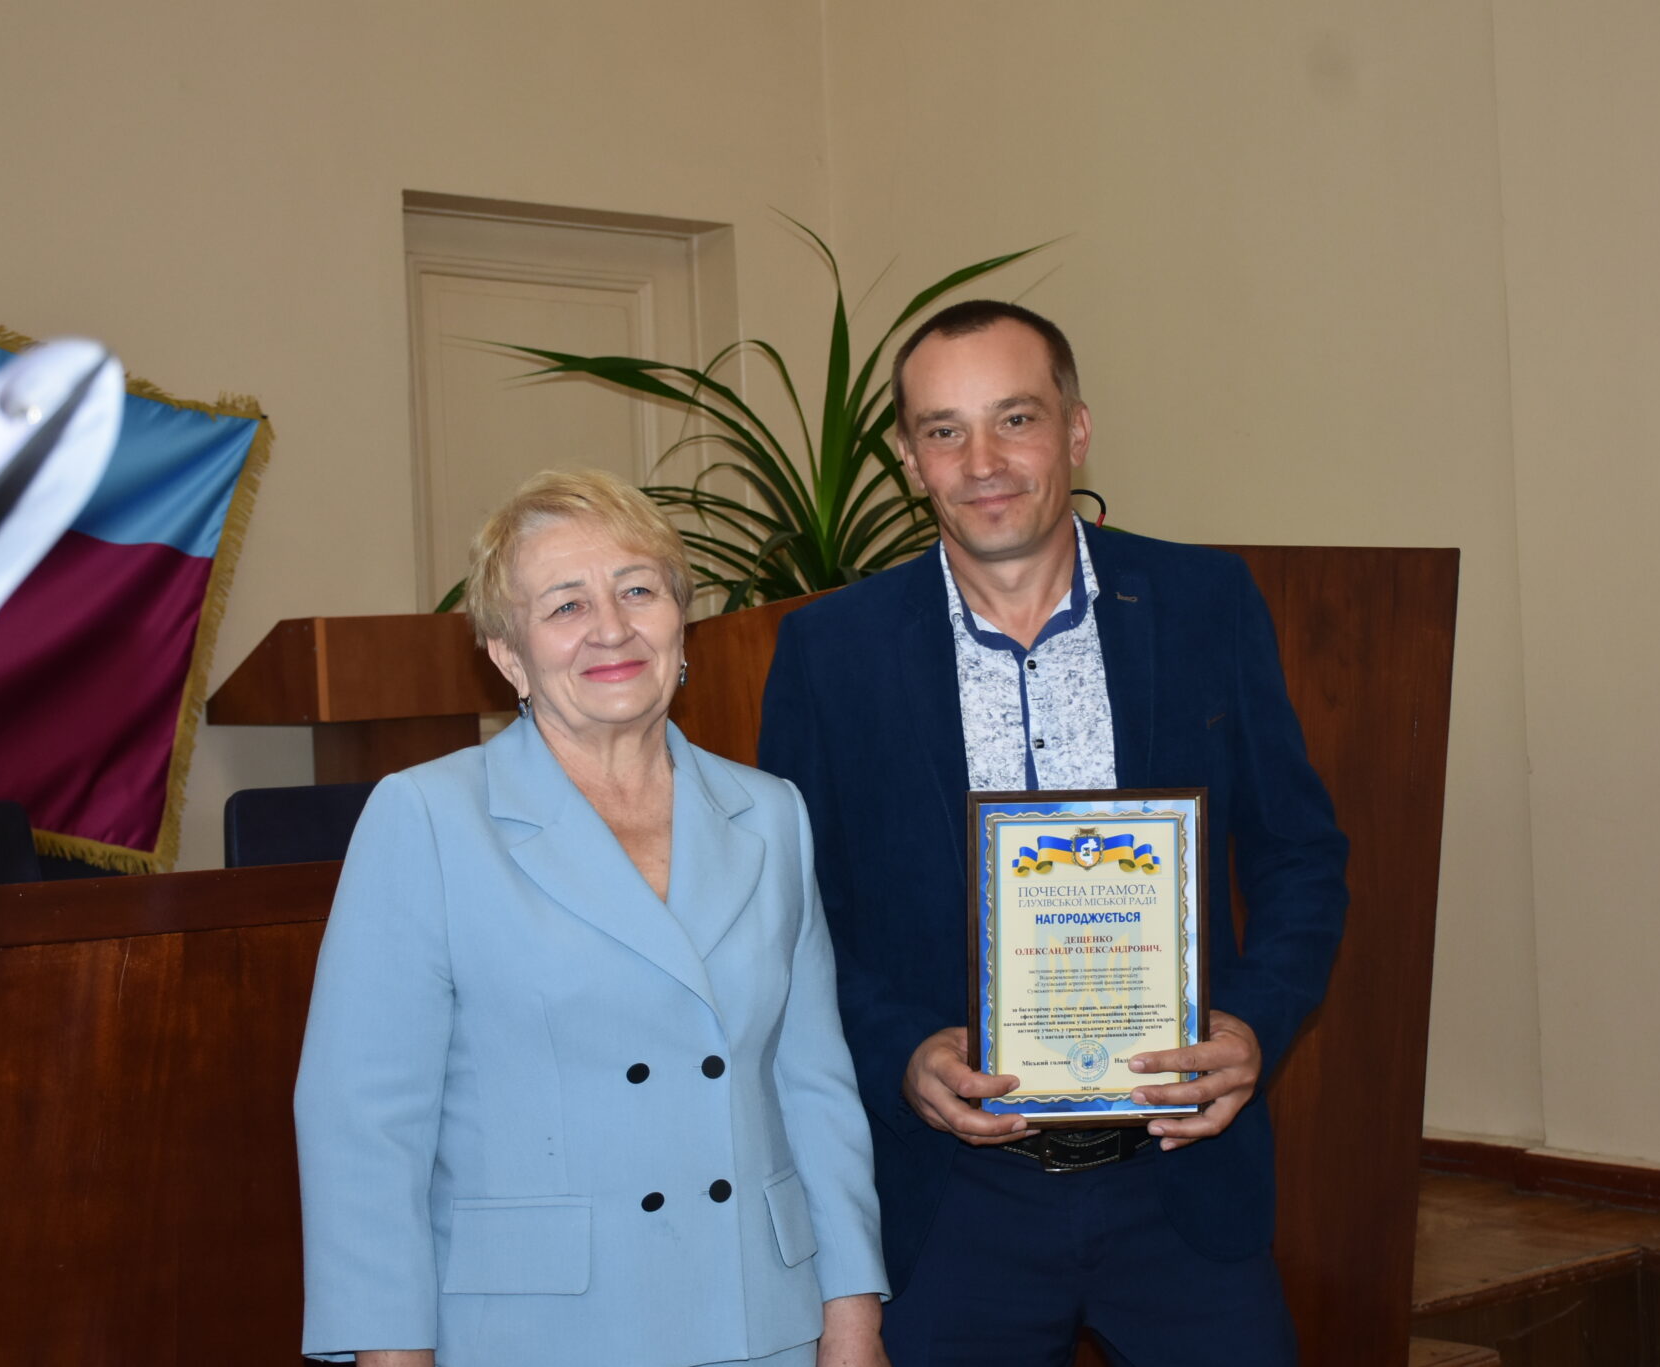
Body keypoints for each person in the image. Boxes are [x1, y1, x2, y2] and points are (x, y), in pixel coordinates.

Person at [757, 302, 1348, 1367]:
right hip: (952, 1202)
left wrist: (1254, 1024)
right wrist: (901, 1052)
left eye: (1015, 418)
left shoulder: (1205, 601)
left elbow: (1299, 854)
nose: (982, 462)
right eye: (944, 430)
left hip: (1179, 1180)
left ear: (1075, 430)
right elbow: (796, 912)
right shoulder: (830, 650)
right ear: (908, 459)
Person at [295, 469, 890, 1367]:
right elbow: (364, 1126)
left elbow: (815, 1089)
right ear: (508, 654)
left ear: (680, 624)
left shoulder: (771, 813)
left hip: (760, 1318)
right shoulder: (427, 817)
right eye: (566, 605)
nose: (611, 627)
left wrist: (852, 1316)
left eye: (638, 590)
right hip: (537, 1332)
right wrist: (389, 1352)